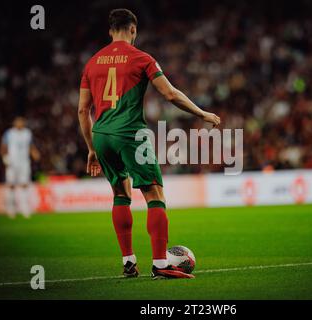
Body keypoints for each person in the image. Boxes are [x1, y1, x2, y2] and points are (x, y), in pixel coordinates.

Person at [78, 9, 220, 279]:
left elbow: (83, 111)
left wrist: (92, 149)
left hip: (101, 135)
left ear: (110, 31)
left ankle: (129, 262)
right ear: (133, 30)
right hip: (130, 133)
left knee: (121, 194)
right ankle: (161, 264)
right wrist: (201, 113)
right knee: (155, 196)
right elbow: (169, 93)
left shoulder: (92, 63)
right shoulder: (142, 58)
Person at [0, 117, 41, 218]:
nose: (20, 124)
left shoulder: (27, 133)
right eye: (18, 122)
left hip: (24, 163)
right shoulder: (9, 133)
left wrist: (34, 153)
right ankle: (11, 209)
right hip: (12, 162)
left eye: (22, 122)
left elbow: (31, 146)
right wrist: (5, 158)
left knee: (25, 185)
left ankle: (25, 208)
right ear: (14, 123)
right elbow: (3, 146)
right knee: (11, 185)